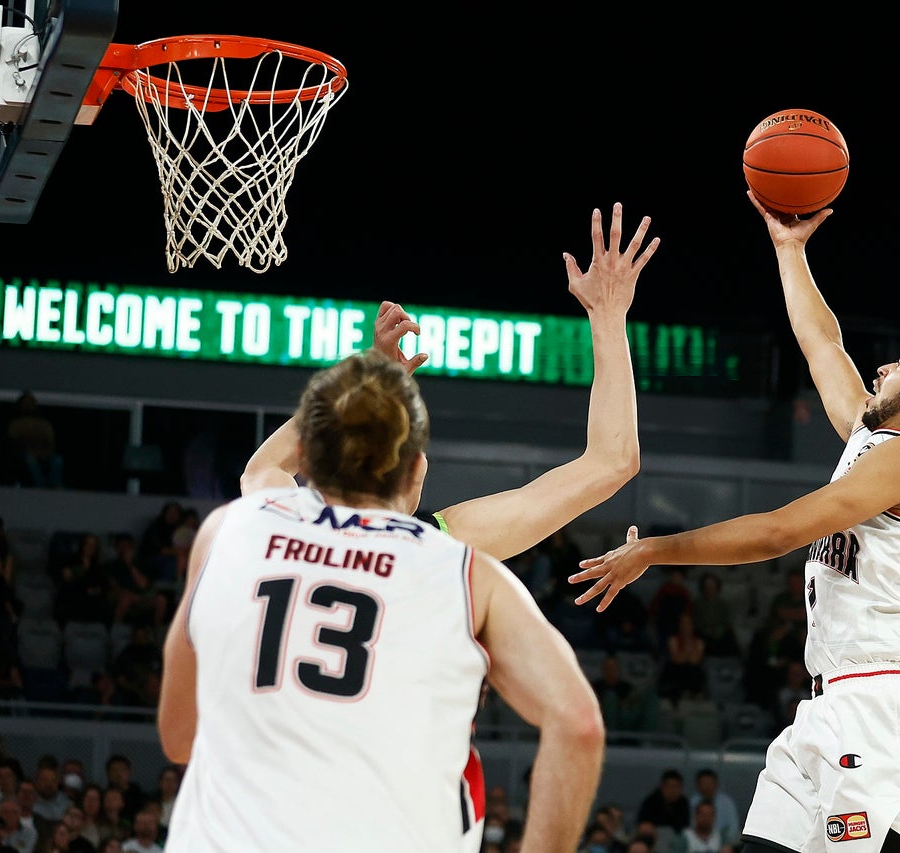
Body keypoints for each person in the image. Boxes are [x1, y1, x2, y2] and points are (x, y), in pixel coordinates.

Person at [571, 194, 900, 853]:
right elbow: (823, 341)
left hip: (875, 711)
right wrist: (790, 250)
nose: (883, 365)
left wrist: (655, 549)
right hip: (826, 707)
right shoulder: (874, 437)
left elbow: (776, 531)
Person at [236, 202, 659, 851]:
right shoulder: (448, 548)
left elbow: (265, 463)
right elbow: (611, 461)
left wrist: (371, 380)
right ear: (418, 471)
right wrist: (607, 316)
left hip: (284, 811)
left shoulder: (279, 521)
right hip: (406, 816)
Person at [157, 347, 606, 851]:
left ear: (306, 453)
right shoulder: (461, 567)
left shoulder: (233, 528)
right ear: (416, 469)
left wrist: (368, 375)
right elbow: (580, 724)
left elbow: (178, 737)